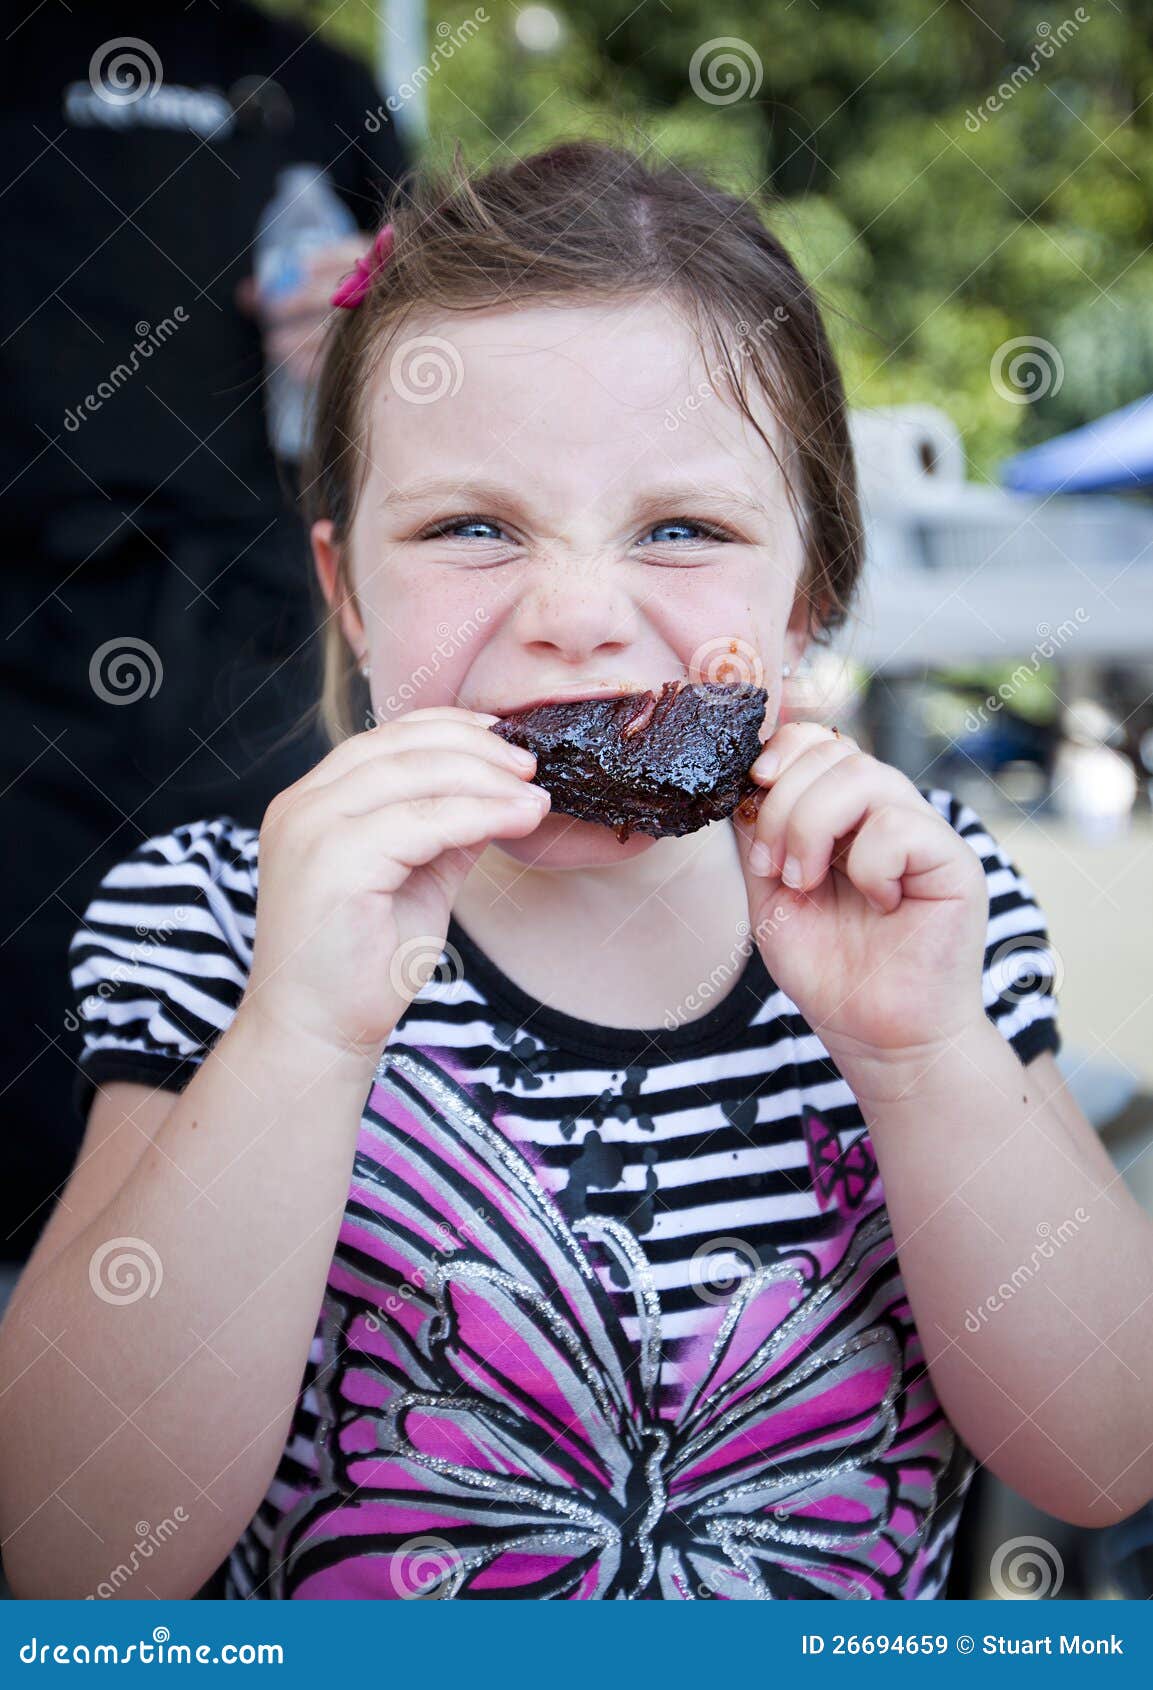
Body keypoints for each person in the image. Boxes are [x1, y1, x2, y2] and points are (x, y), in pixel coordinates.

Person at [3, 140, 1152, 1602]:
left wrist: (924, 1053)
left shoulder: (922, 899)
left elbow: (1106, 1450)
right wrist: (296, 1039)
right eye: (472, 529)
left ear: (807, 598)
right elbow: (63, 1554)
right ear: (350, 592)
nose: (574, 613)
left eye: (681, 529)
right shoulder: (221, 925)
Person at [0, 1, 407, 1264]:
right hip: (17, 646)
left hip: (256, 647)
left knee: (243, 1069)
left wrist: (360, 323)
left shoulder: (320, 85)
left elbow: (420, 316)